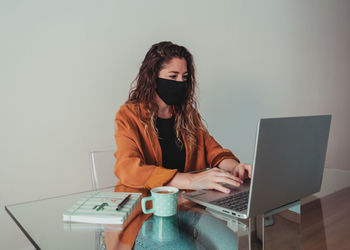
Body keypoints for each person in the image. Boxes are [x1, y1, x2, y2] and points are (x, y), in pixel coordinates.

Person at [114, 41, 252, 194]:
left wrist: (236, 168)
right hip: (149, 207)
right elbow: (128, 168)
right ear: (152, 77)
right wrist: (191, 180)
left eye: (184, 77)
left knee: (244, 216)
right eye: (173, 76)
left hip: (187, 203)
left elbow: (214, 152)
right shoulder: (129, 115)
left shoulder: (187, 114)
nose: (180, 82)